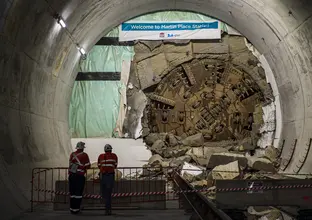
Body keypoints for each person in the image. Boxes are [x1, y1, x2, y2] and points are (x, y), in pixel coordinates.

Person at [68, 141, 91, 214]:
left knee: (72, 193)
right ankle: (76, 209)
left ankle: (72, 209)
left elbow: (70, 165)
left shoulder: (72, 154)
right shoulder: (84, 155)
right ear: (82, 148)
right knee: (78, 193)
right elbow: (88, 166)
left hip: (71, 175)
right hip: (79, 176)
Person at [97, 144, 118, 215]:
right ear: (111, 150)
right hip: (110, 175)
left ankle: (106, 208)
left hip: (103, 176)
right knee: (109, 193)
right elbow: (115, 165)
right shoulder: (114, 156)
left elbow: (99, 165)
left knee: (104, 192)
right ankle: (108, 209)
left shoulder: (101, 156)